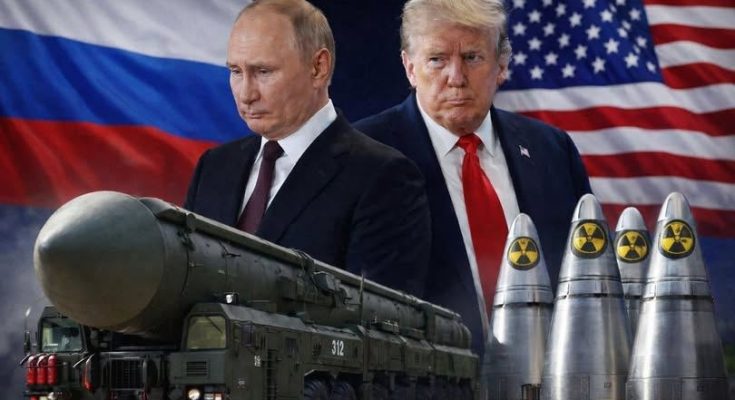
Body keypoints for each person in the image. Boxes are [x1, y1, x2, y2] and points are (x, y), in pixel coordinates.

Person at [355, 0, 591, 355]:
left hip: (551, 371)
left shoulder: (552, 151)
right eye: (437, 59)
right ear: (410, 68)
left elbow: (587, 274)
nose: (456, 77)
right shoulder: (363, 155)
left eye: (472, 57)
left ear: (502, 65)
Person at [185, 0, 430, 296]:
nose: (246, 94)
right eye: (236, 71)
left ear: (318, 68)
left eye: (263, 71)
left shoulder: (383, 177)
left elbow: (378, 314)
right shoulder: (214, 167)